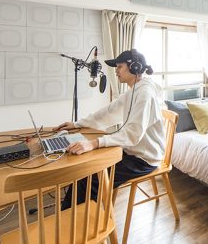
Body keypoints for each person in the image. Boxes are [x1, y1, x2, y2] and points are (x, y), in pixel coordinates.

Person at [56, 49, 165, 209]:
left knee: (87, 179)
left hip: (144, 159)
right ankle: (70, 216)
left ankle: (72, 225)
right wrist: (77, 124)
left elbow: (133, 133)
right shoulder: (134, 90)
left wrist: (94, 143)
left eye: (119, 67)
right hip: (131, 151)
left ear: (134, 67)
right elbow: (108, 112)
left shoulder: (145, 94)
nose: (116, 71)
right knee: (85, 170)